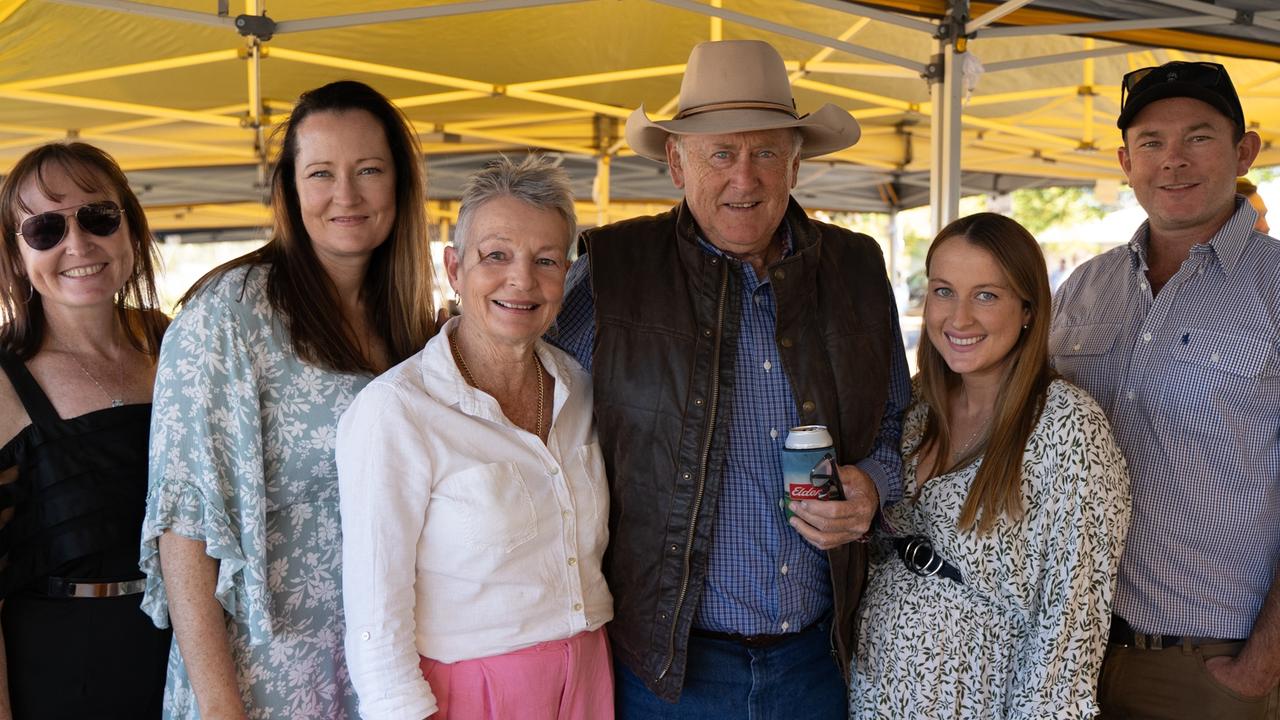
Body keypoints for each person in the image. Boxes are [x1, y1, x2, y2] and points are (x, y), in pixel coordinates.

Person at [552, 39, 910, 718]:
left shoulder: (858, 268)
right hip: (666, 668)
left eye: (766, 152)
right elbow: (527, 406)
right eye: (721, 153)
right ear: (676, 162)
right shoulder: (613, 271)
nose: (744, 178)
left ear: (796, 163)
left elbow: (900, 421)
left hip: (821, 659)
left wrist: (873, 486)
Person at [139, 80, 437, 719]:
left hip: (384, 675)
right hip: (262, 680)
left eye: (369, 170)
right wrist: (221, 707)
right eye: (321, 172)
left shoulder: (413, 327)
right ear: (290, 189)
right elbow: (183, 530)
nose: (346, 195)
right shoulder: (230, 315)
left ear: (400, 186)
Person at [338, 155, 613, 720]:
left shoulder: (579, 387)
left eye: (546, 260)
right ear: (454, 268)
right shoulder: (396, 410)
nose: (522, 280)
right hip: (471, 695)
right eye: (496, 256)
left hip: (590, 677)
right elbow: (375, 607)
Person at [1052, 60, 1280, 719]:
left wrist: (1261, 660)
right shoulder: (1083, 287)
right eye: (1152, 142)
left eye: (1199, 137)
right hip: (1074, 651)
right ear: (1126, 159)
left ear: (1244, 150)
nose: (1172, 161)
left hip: (1211, 664)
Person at [850, 213, 1130, 718]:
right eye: (942, 291)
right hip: (878, 691)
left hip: (980, 699)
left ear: (1027, 308)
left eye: (986, 295)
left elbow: (1070, 627)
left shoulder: (1068, 426)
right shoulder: (915, 406)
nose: (958, 319)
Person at [0, 142, 171, 718]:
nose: (78, 243)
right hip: (63, 677)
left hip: (192, 656)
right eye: (45, 229)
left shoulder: (175, 344)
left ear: (131, 228)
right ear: (16, 253)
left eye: (99, 217)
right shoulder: (3, 384)